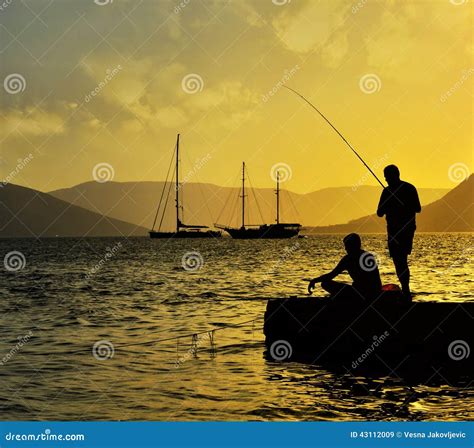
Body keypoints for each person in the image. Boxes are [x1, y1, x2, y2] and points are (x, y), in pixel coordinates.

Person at [377, 165, 421, 299]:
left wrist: (402, 204)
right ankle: (405, 289)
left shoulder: (407, 188)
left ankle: (406, 289)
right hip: (397, 230)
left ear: (394, 175)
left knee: (400, 259)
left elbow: (417, 208)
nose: (385, 179)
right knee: (400, 260)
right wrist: (390, 202)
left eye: (387, 177)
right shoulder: (389, 191)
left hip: (403, 230)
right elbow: (379, 212)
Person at [308, 233, 382, 300]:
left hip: (366, 294)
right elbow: (332, 274)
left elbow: (374, 281)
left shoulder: (364, 257)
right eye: (345, 246)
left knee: (325, 284)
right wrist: (314, 280)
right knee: (325, 283)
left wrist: (314, 280)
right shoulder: (350, 258)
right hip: (361, 292)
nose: (345, 249)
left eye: (347, 246)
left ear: (354, 245)